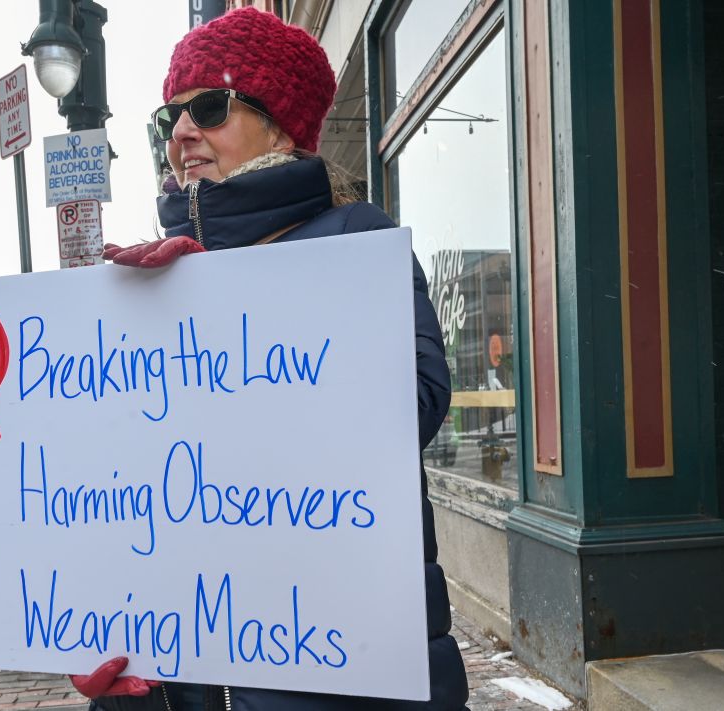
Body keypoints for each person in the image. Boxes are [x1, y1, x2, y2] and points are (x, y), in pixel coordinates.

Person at [75, 8, 468, 710]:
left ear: (282, 124)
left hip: (339, 673)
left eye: (210, 107)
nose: (183, 134)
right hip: (198, 667)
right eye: (170, 119)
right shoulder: (154, 285)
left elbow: (413, 403)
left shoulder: (354, 241)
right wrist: (122, 653)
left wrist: (237, 335)